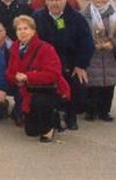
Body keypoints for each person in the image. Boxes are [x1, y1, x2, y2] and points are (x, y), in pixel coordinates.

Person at [34, 0, 94, 131]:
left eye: (58, 0)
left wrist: (80, 65)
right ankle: (50, 118)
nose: (54, 3)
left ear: (65, 0)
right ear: (46, 1)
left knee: (76, 85)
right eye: (51, 0)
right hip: (45, 62)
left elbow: (87, 43)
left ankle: (71, 116)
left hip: (70, 62)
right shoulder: (37, 17)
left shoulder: (77, 18)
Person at [7, 15, 70, 143]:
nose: (22, 32)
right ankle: (42, 121)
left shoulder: (45, 48)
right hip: (27, 90)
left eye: (26, 28)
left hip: (49, 90)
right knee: (31, 132)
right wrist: (16, 78)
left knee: (39, 101)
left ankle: (52, 125)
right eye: (19, 29)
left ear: (33, 31)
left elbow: (54, 74)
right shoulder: (15, 47)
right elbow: (10, 71)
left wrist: (28, 76)